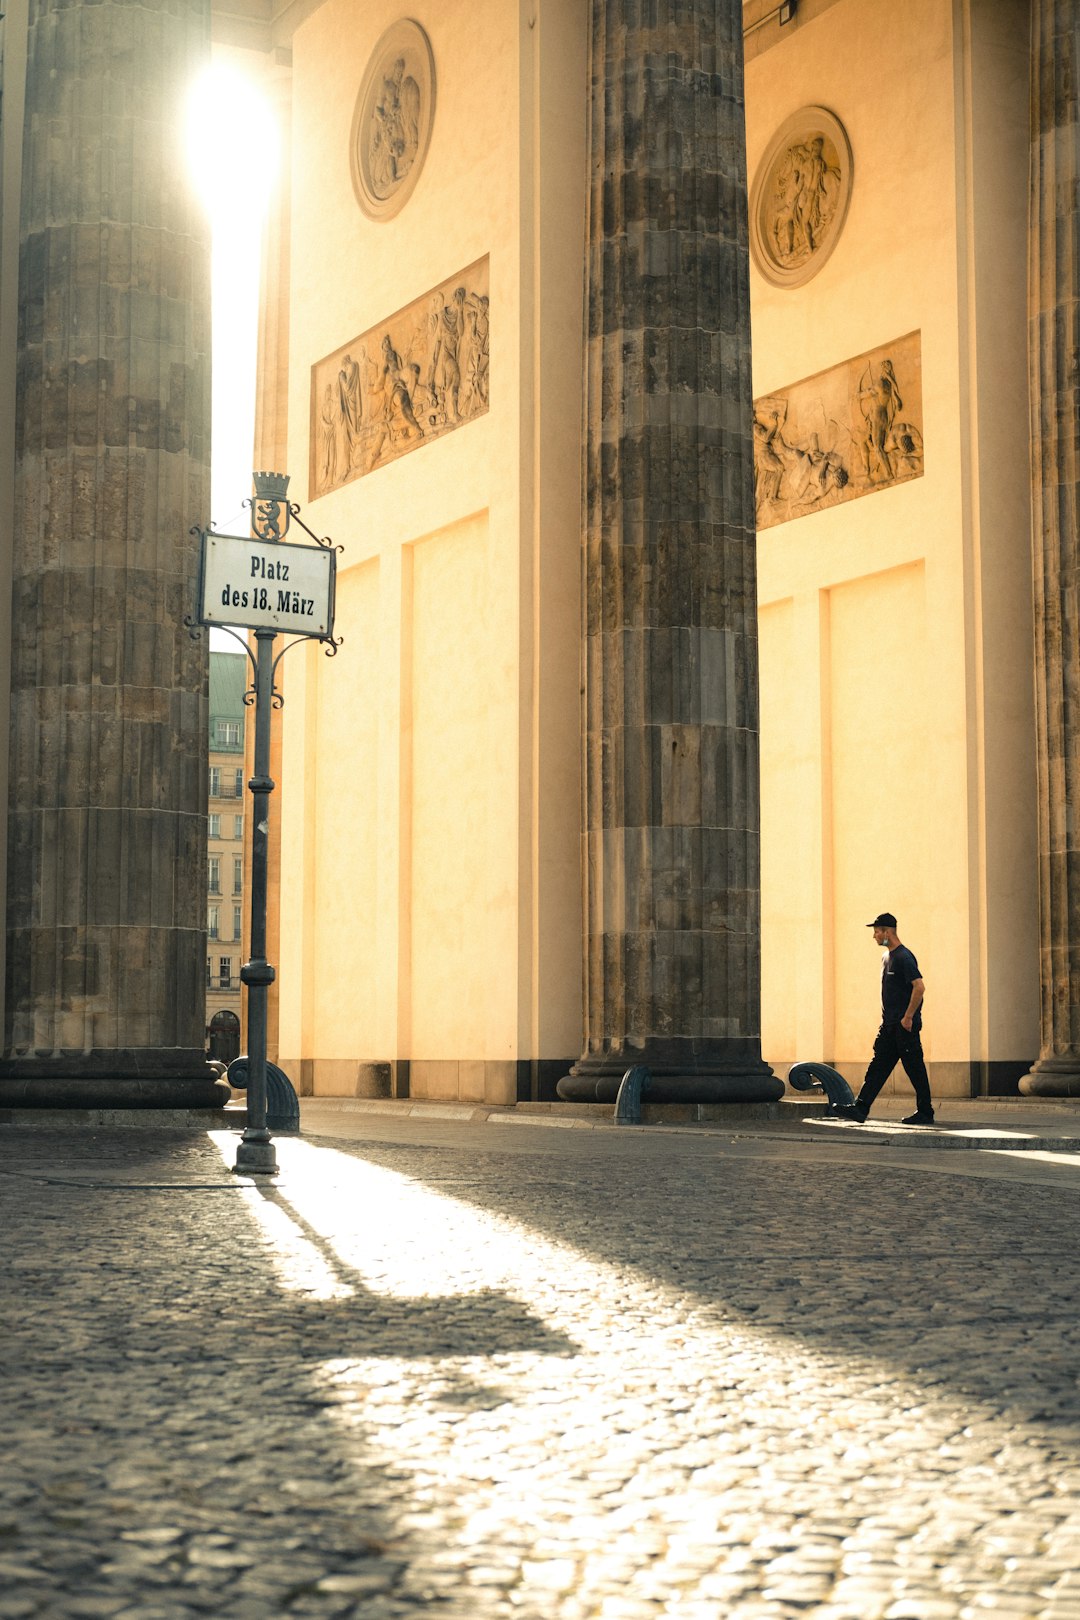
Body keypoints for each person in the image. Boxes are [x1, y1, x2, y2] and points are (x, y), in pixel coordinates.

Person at [840, 911, 935, 1125]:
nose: (874, 936)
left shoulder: (903, 956)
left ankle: (925, 1112)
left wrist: (908, 1017)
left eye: (876, 932)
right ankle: (860, 1108)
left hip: (904, 1026)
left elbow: (919, 987)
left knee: (915, 1068)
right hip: (889, 1026)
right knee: (878, 1067)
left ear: (887, 932)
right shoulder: (886, 957)